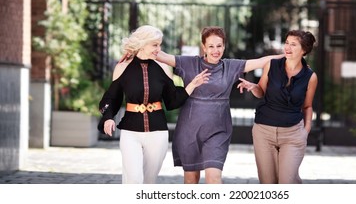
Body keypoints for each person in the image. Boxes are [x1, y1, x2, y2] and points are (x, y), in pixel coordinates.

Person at [156, 26, 283, 184]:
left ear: (224, 46)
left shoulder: (231, 66)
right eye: (211, 46)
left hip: (218, 130)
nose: (216, 50)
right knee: (190, 180)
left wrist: (289, 56)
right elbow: (160, 55)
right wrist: (141, 44)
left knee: (214, 177)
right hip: (189, 130)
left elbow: (260, 62)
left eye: (219, 46)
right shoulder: (188, 63)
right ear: (204, 47)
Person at [97, 25, 210, 184]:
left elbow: (172, 100)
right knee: (134, 179)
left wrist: (192, 85)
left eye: (160, 44)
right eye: (155, 45)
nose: (159, 49)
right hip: (130, 132)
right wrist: (108, 117)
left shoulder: (164, 67)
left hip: (158, 133)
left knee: (148, 181)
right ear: (143, 44)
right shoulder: (122, 67)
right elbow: (111, 98)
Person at [237, 29, 318, 184]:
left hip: (292, 134)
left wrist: (305, 131)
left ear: (304, 50)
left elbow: (307, 106)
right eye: (287, 43)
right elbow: (261, 92)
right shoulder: (271, 65)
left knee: (286, 181)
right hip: (264, 132)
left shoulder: (310, 77)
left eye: (293, 44)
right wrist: (253, 87)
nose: (287, 47)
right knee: (268, 183)